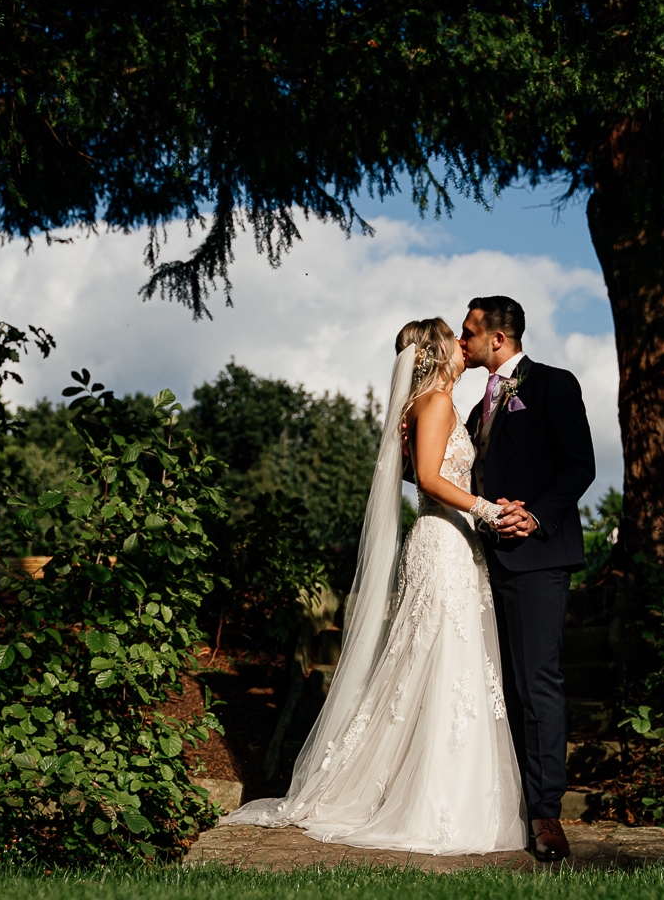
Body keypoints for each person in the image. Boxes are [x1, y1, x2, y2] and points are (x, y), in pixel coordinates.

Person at [222, 318, 524, 856]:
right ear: (438, 352)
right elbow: (428, 477)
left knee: (437, 662)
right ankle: (433, 800)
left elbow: (420, 472)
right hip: (443, 543)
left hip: (449, 541)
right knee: (443, 661)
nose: (464, 344)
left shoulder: (427, 404)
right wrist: (485, 509)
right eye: (455, 337)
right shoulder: (436, 402)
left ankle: (437, 791)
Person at [461, 295, 596, 862]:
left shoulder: (553, 384)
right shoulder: (476, 408)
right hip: (483, 561)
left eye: (469, 332)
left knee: (538, 683)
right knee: (500, 687)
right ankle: (506, 803)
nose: (462, 342)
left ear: (498, 338)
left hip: (538, 557)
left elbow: (580, 465)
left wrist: (535, 515)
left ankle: (546, 813)